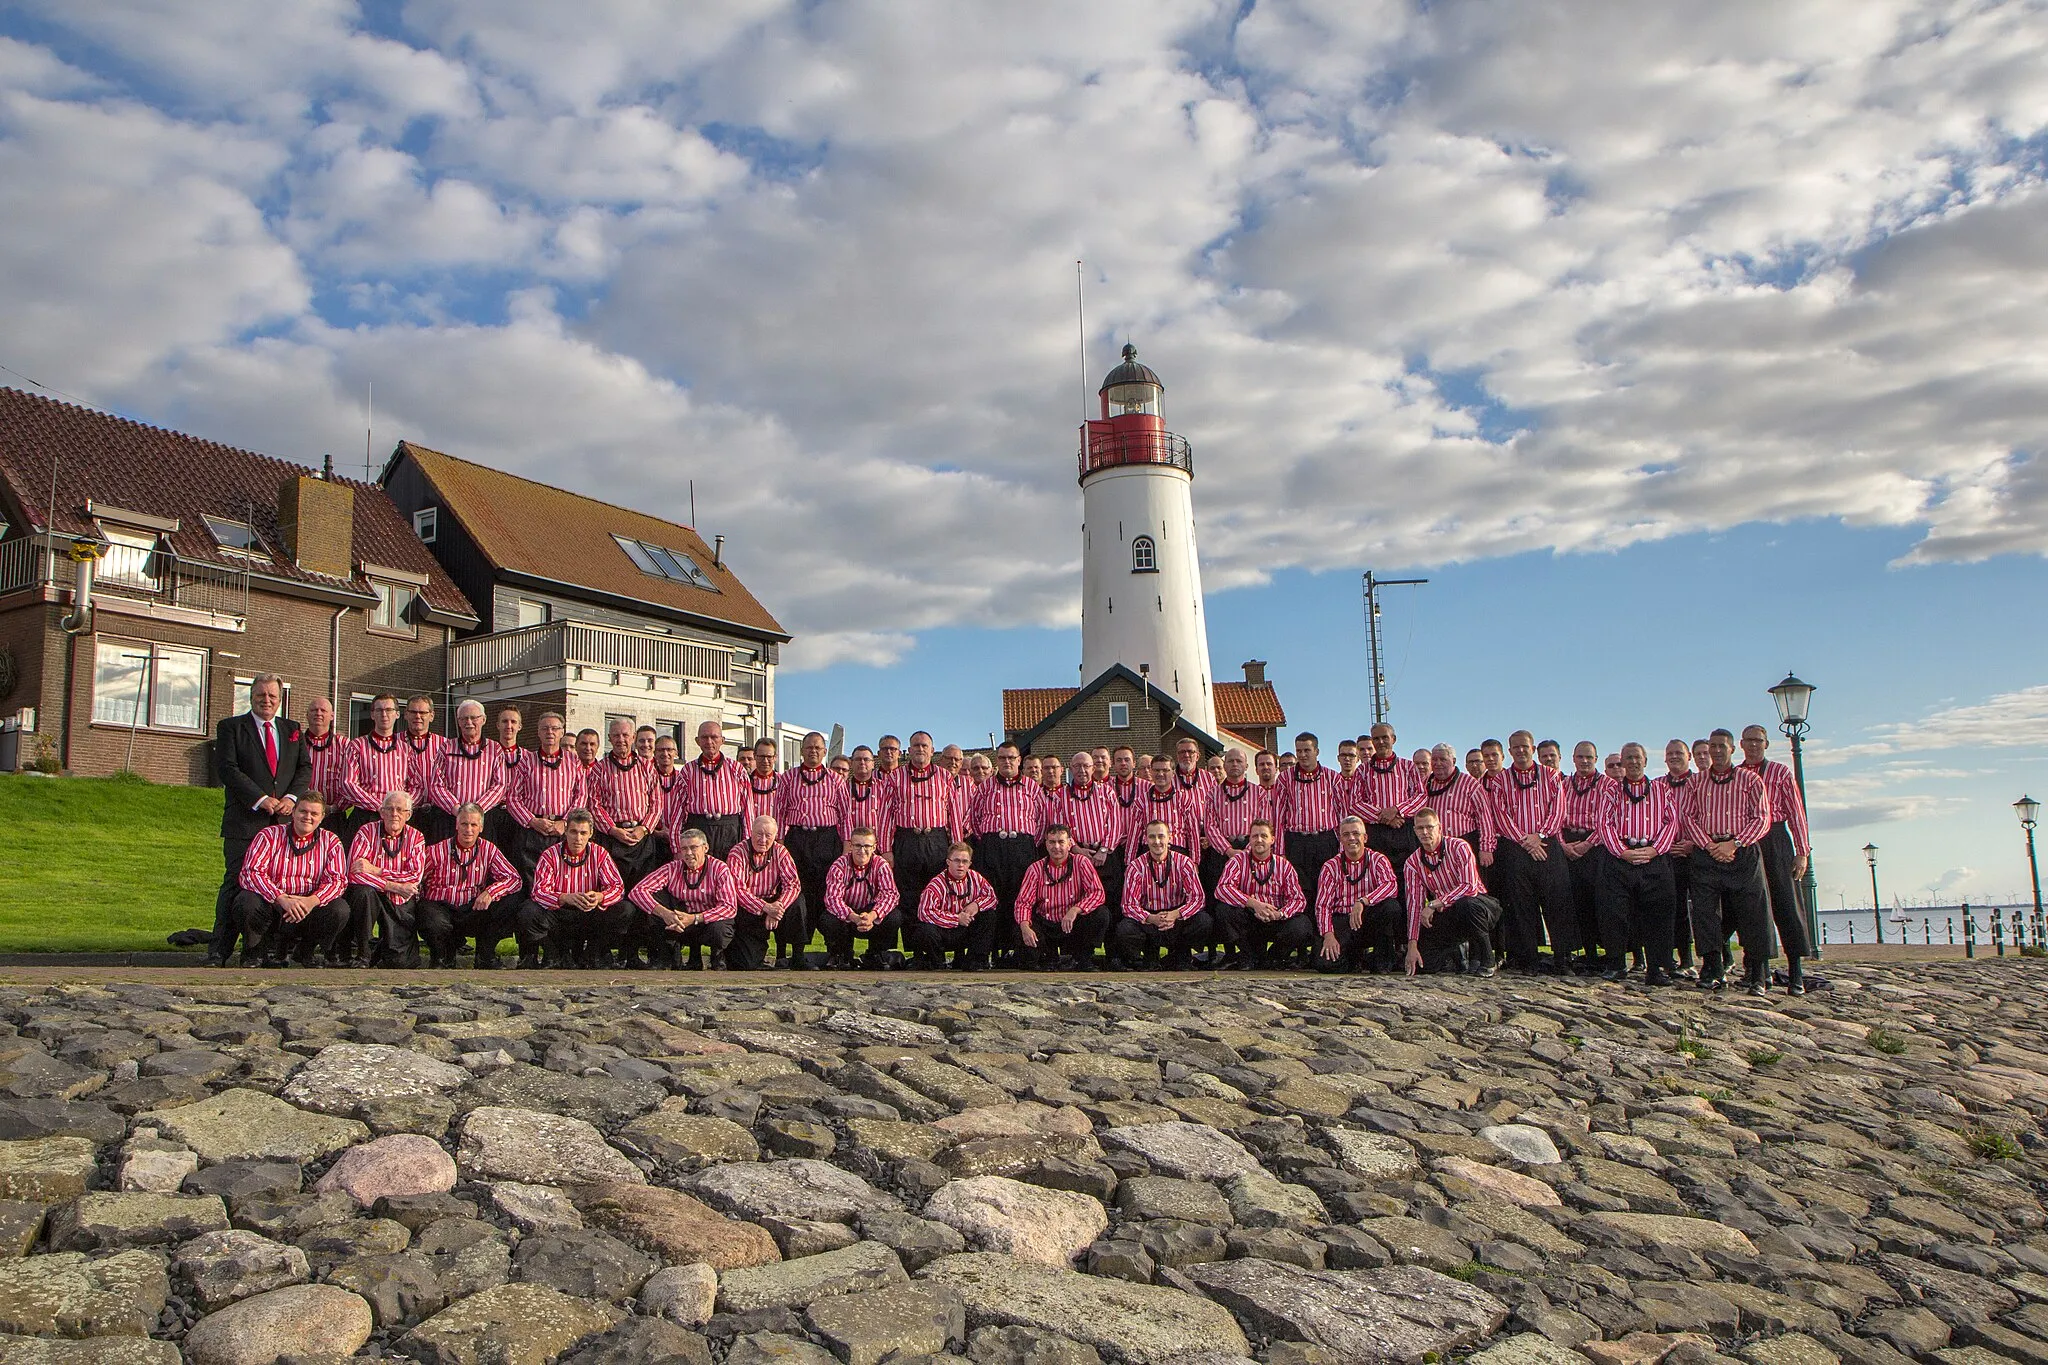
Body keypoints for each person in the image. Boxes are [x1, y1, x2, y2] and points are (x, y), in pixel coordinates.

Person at [211, 673, 309, 967]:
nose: (267, 700)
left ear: (280, 699)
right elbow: (228, 769)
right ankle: (219, 949)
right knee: (237, 882)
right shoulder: (231, 727)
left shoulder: (292, 729)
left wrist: (291, 799)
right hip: (245, 821)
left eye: (273, 696)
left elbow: (304, 769)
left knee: (274, 885)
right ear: (251, 695)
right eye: (261, 695)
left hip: (281, 824)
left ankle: (261, 950)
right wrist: (260, 799)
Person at [1684, 729, 1774, 996]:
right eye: (1713, 746)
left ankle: (1756, 973)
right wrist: (1710, 845)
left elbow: (1761, 818)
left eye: (1722, 746)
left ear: (1733, 749)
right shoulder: (1696, 783)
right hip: (1707, 850)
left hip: (1741, 851)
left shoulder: (1750, 779)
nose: (1717, 751)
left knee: (1753, 911)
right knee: (1705, 913)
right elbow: (1688, 817)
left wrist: (1734, 844)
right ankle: (1712, 968)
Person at [1488, 731, 1578, 973]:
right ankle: (1529, 960)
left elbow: (1558, 811)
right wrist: (1525, 841)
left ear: (1532, 747)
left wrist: (1539, 836)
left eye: (1524, 747)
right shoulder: (1500, 781)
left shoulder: (1551, 776)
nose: (1520, 751)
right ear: (1509, 751)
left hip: (1547, 844)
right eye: (1515, 747)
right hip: (1516, 848)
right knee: (1521, 906)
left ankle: (1563, 959)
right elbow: (1500, 815)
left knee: (1557, 903)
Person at [1596, 743, 1681, 986]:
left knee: (1658, 915)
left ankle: (1656, 968)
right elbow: (1605, 824)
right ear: (1621, 763)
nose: (1632, 763)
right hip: (1620, 858)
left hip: (1654, 857)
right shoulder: (1611, 792)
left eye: (1637, 758)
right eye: (1628, 759)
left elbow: (1671, 823)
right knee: (1615, 913)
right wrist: (1622, 852)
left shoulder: (1662, 790)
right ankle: (1616, 964)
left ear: (1645, 760)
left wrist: (1655, 850)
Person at [236, 793, 348, 968]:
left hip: (309, 907)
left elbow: (337, 881)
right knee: (246, 901)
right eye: (303, 811)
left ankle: (305, 951)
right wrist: (281, 898)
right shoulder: (268, 835)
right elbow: (251, 873)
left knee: (340, 909)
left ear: (322, 817)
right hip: (274, 905)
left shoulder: (331, 841)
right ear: (293, 812)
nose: (308, 817)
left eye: (314, 814)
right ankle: (255, 954)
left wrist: (311, 901)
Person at [1741, 724, 1813, 994]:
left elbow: (1796, 812)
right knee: (1753, 908)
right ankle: (1759, 973)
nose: (1753, 745)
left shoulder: (1780, 772)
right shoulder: (1737, 775)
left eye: (1758, 741)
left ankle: (1796, 972)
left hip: (1776, 837)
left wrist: (1802, 851)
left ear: (1766, 744)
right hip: (1748, 840)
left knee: (1787, 903)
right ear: (1741, 744)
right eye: (1748, 741)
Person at [417, 802, 523, 969]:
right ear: (457, 825)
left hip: (472, 907)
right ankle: (441, 957)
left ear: (481, 827)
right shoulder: (436, 851)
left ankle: (484, 956)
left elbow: (514, 879)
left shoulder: (489, 849)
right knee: (432, 920)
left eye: (474, 825)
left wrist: (490, 892)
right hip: (440, 906)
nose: (469, 829)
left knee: (512, 901)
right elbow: (417, 878)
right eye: (464, 824)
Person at [776, 731, 847, 970]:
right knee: (797, 894)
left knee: (828, 894)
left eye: (818, 748)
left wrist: (846, 846)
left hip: (827, 839)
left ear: (825, 752)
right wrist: (778, 844)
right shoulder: (787, 778)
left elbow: (845, 816)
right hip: (797, 839)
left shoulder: (837, 780)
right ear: (801, 751)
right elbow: (779, 812)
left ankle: (833, 952)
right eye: (808, 748)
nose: (813, 751)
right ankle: (796, 951)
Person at [1401, 809, 1501, 977]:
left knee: (1467, 904)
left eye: (1429, 827)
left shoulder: (1459, 847)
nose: (1425, 832)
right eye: (1420, 828)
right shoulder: (1412, 863)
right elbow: (1414, 905)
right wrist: (1412, 946)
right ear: (1415, 830)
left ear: (1439, 828)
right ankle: (1456, 951)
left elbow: (1469, 886)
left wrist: (1435, 903)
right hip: (1447, 913)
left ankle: (1487, 958)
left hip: (1478, 905)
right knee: (1425, 964)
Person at [969, 743, 1044, 964]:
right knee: (992, 898)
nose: (1007, 762)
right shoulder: (985, 787)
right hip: (993, 847)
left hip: (1022, 847)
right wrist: (989, 842)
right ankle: (990, 951)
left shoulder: (1032, 787)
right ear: (997, 761)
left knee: (1020, 897)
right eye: (1002, 758)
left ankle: (1017, 951)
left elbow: (1041, 820)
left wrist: (1028, 843)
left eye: (1011, 758)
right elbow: (975, 819)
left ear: (1019, 760)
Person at [526, 809, 627, 968]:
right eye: (573, 832)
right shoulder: (550, 855)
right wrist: (564, 897)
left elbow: (617, 887)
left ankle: (592, 955)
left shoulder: (599, 853)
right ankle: (552, 954)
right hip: (559, 913)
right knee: (528, 912)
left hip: (589, 913)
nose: (578, 838)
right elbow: (539, 892)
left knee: (625, 909)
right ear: (565, 830)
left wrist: (599, 896)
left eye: (583, 833)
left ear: (591, 833)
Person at [631, 828, 739, 969]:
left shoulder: (720, 869)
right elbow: (637, 891)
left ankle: (717, 956)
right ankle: (669, 955)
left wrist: (695, 918)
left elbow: (729, 907)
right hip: (680, 922)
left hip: (707, 922)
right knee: (655, 901)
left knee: (720, 930)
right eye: (684, 849)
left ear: (705, 848)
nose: (688, 853)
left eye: (693, 848)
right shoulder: (673, 868)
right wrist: (665, 913)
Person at [1113, 819, 1211, 970]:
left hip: (1177, 917)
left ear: (1169, 838)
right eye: (1152, 837)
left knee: (1204, 921)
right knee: (1125, 929)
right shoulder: (1136, 866)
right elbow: (1128, 905)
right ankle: (1149, 954)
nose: (1157, 841)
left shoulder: (1184, 863)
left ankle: (1180, 954)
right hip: (1149, 919)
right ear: (1145, 839)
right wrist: (1151, 918)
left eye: (1161, 836)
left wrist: (1175, 914)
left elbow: (1198, 899)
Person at [1214, 820, 1312, 969]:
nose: (1259, 840)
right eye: (1254, 836)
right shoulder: (1238, 861)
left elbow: (1298, 900)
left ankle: (1274, 958)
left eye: (1263, 836)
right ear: (1250, 839)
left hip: (1275, 918)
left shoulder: (1283, 865)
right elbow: (1222, 889)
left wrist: (1280, 914)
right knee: (1224, 911)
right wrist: (1254, 904)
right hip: (1249, 918)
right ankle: (1248, 956)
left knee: (1302, 924)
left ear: (1272, 840)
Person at [344, 790, 425, 968]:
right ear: (381, 812)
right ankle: (363, 954)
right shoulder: (366, 831)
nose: (394, 814)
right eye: (389, 809)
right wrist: (392, 885)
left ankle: (381, 951)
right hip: (374, 894)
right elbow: (355, 873)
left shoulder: (416, 837)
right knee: (363, 893)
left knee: (400, 962)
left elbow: (414, 876)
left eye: (400, 810)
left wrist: (376, 870)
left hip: (399, 899)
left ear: (409, 815)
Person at [884, 732, 962, 911]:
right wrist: (887, 850)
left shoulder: (945, 777)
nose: (920, 749)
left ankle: (934, 936)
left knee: (938, 892)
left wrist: (957, 848)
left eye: (924, 746)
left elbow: (954, 815)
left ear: (932, 750)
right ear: (909, 750)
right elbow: (885, 816)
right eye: (916, 746)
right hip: (907, 841)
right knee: (908, 898)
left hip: (936, 841)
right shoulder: (895, 777)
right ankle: (911, 938)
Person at [1316, 815, 1402, 973]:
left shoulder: (1378, 860)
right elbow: (1323, 906)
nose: (1352, 838)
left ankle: (1382, 958)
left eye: (1356, 833)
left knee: (1391, 907)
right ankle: (1354, 957)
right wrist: (1328, 934)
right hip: (1343, 921)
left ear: (1365, 837)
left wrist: (1363, 901)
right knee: (1325, 964)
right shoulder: (1330, 867)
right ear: (1340, 839)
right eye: (1346, 835)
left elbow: (1391, 886)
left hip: (1368, 918)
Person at [507, 712, 586, 883]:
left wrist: (565, 822)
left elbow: (580, 795)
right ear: (538, 732)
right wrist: (532, 821)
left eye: (554, 728)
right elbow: (513, 797)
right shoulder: (526, 761)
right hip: (532, 831)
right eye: (545, 728)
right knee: (530, 880)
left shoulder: (574, 762)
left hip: (561, 832)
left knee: (560, 877)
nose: (550, 732)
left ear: (562, 732)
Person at [1015, 825, 1107, 970]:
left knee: (1101, 914)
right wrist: (1025, 927)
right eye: (1052, 842)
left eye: (1061, 842)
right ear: (1046, 844)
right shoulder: (1035, 869)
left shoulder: (1081, 863)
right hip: (1046, 922)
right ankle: (1045, 958)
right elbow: (1023, 903)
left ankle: (1083, 958)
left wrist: (1075, 910)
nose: (1056, 847)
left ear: (1070, 844)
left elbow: (1097, 893)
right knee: (1021, 928)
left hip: (1072, 924)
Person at [586, 718, 663, 890]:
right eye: (616, 735)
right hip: (611, 838)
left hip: (641, 838)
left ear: (633, 737)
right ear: (609, 738)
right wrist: (613, 830)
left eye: (625, 735)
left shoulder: (647, 768)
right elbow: (594, 804)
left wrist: (643, 829)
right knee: (613, 889)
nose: (621, 740)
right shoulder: (599, 769)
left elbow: (656, 803)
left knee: (643, 890)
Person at [423, 701, 508, 855]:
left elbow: (500, 785)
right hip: (450, 818)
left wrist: (477, 810)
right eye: (464, 719)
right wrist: (457, 810)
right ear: (459, 721)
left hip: (483, 818)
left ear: (483, 719)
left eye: (473, 718)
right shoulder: (446, 747)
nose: (469, 722)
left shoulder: (495, 749)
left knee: (482, 860)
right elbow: (436, 784)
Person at [1558, 740, 1614, 971]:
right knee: (1576, 902)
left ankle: (1611, 954)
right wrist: (1563, 845)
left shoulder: (1608, 785)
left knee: (1602, 902)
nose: (1584, 761)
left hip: (1597, 846)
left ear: (1596, 759)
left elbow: (1608, 820)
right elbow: (1556, 817)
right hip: (1568, 844)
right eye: (1580, 757)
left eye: (1589, 757)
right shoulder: (1563, 785)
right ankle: (1588, 952)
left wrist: (1587, 845)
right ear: (1573, 758)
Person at [905, 842, 999, 970]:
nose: (960, 865)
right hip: (943, 931)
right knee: (925, 931)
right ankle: (937, 962)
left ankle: (975, 960)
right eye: (957, 860)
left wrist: (976, 905)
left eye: (965, 861)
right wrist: (956, 919)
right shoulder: (936, 885)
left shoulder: (976, 878)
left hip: (965, 929)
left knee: (989, 916)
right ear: (948, 862)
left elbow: (991, 897)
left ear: (970, 863)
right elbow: (925, 912)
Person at [727, 815, 804, 970]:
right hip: (748, 908)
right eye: (759, 834)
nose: (763, 839)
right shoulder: (737, 853)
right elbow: (737, 890)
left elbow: (793, 885)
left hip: (775, 903)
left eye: (768, 835)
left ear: (775, 836)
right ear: (751, 832)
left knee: (798, 903)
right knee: (745, 964)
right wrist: (765, 907)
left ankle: (798, 956)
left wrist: (777, 907)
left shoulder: (780, 851)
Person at [821, 827, 903, 969]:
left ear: (874, 847)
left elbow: (891, 895)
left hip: (870, 915)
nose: (862, 850)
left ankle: (875, 953)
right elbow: (832, 899)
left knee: (894, 916)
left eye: (867, 846)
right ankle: (841, 954)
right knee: (827, 919)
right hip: (847, 915)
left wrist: (872, 916)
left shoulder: (881, 865)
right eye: (858, 845)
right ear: (851, 846)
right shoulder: (839, 865)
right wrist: (854, 917)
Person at [1274, 732, 1345, 896]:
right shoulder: (1285, 779)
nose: (1302, 755)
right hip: (1297, 842)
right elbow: (1278, 817)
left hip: (1325, 840)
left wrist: (1343, 848)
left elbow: (1343, 814)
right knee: (1301, 890)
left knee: (1328, 888)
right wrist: (1280, 851)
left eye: (1307, 750)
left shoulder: (1332, 777)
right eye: (1299, 751)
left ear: (1317, 751)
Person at [1350, 723, 1426, 872]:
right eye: (1376, 738)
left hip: (1403, 828)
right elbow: (1354, 803)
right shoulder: (1362, 770)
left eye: (1385, 737)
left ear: (1393, 739)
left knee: (1407, 873)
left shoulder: (1407, 766)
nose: (1381, 742)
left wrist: (1397, 810)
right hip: (1376, 832)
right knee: (1378, 873)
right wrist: (1383, 816)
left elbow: (1421, 796)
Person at [1054, 750, 1123, 900]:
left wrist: (1104, 850)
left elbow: (1116, 823)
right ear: (1071, 769)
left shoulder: (1106, 792)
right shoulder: (1060, 796)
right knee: (1080, 896)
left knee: (1112, 896)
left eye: (1086, 766)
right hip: (1076, 854)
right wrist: (1076, 849)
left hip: (1106, 854)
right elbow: (1060, 828)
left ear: (1093, 768)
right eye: (1077, 766)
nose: (1082, 770)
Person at [340, 695, 408, 844]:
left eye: (389, 710)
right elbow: (347, 783)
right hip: (366, 814)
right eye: (379, 710)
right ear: (372, 714)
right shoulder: (357, 745)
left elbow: (417, 785)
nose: (384, 714)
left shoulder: (406, 748)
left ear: (397, 714)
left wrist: (403, 807)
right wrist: (378, 806)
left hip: (397, 817)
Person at [1657, 739, 1699, 979]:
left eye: (1678, 753)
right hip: (1667, 854)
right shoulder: (1657, 786)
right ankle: (1676, 959)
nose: (1674, 757)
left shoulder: (1700, 783)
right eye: (1669, 753)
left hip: (1696, 851)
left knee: (1705, 909)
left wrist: (1693, 843)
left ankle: (1718, 960)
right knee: (1672, 908)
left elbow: (1707, 815)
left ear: (1689, 756)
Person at [1423, 744, 1496, 872]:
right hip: (1434, 846)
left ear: (1454, 761)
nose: (1438, 763)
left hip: (1465, 843)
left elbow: (1484, 818)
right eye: (1434, 759)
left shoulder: (1470, 784)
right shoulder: (1425, 784)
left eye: (1443, 759)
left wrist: (1486, 848)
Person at [683, 720, 749, 860]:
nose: (709, 741)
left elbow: (747, 809)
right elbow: (678, 810)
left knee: (729, 874)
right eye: (704, 737)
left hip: (729, 830)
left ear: (722, 740)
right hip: (698, 828)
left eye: (714, 737)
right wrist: (677, 846)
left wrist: (748, 843)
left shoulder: (736, 769)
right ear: (697, 741)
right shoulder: (687, 771)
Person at [1125, 756, 1200, 865]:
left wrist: (1194, 862)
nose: (1160, 774)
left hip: (1177, 852)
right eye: (1156, 770)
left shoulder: (1184, 800)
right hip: (1149, 853)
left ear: (1173, 773)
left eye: (1165, 770)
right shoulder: (1141, 802)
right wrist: (1129, 863)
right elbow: (1134, 836)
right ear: (1151, 772)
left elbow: (1193, 833)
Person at [399, 695, 449, 841]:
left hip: (438, 813)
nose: (418, 716)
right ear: (406, 714)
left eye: (423, 713)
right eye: (413, 712)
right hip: (407, 813)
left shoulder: (445, 745)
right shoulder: (395, 744)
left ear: (431, 716)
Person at [301, 697, 348, 842]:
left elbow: (351, 781)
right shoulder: (296, 743)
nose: (318, 713)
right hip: (303, 815)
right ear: (307, 715)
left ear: (332, 715)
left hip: (333, 815)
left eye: (323, 710)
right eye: (314, 710)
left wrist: (334, 807)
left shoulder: (345, 745)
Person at [488, 706, 526, 852]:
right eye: (504, 721)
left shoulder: (527, 757)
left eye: (513, 722)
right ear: (498, 725)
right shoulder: (487, 754)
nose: (509, 726)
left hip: (518, 816)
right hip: (493, 812)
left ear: (520, 726)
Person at [745, 739, 781, 829]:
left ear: (775, 757)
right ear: (755, 756)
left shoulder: (783, 782)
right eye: (761, 756)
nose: (765, 761)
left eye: (769, 757)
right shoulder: (745, 782)